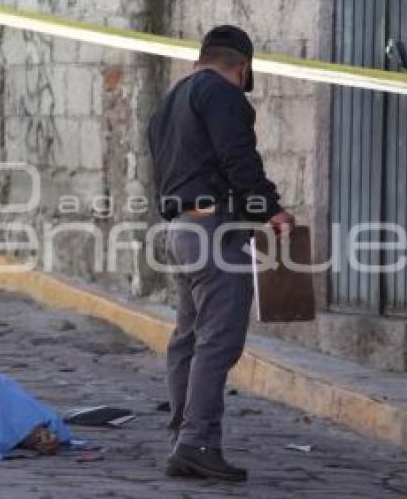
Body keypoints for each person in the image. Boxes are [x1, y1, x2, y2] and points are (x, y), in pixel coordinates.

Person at [148, 25, 295, 481]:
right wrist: (270, 209)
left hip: (181, 229)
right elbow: (239, 158)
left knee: (188, 339)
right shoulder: (224, 96)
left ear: (203, 58)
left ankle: (183, 438)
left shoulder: (170, 102)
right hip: (215, 231)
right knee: (217, 341)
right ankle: (198, 443)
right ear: (243, 67)